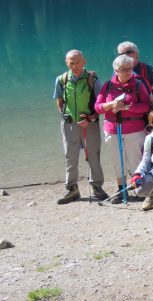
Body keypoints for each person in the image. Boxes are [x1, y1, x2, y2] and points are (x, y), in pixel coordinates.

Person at [95, 54, 150, 203]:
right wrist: (111, 105)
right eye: (124, 69)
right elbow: (98, 107)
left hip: (135, 129)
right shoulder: (108, 86)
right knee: (117, 161)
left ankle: (140, 188)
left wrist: (129, 107)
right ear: (116, 70)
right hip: (113, 129)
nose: (128, 72)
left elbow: (147, 106)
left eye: (130, 68)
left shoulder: (138, 85)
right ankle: (121, 190)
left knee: (136, 160)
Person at [53, 50, 107, 203]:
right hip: (69, 125)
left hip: (90, 124)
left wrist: (91, 118)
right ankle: (72, 189)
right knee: (70, 156)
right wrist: (64, 115)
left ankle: (97, 187)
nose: (74, 66)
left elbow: (101, 103)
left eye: (77, 62)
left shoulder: (92, 79)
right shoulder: (62, 79)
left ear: (84, 62)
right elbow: (59, 101)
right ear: (66, 63)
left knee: (93, 156)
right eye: (71, 63)